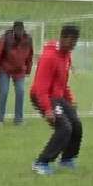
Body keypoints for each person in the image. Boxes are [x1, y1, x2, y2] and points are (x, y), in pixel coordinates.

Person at [30, 24, 81, 175]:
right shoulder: (49, 57)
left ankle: (67, 159)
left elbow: (62, 83)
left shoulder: (66, 55)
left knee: (76, 124)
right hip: (42, 96)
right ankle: (41, 162)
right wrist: (47, 109)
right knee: (64, 128)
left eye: (76, 41)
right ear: (63, 38)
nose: (73, 45)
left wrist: (70, 100)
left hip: (57, 97)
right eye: (72, 41)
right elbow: (40, 87)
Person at [0, 20, 34, 125]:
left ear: (23, 30)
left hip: (19, 70)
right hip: (5, 69)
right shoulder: (5, 38)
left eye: (21, 30)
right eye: (17, 30)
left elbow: (30, 55)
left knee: (20, 91)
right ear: (13, 30)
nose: (19, 32)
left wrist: (28, 69)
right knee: (4, 92)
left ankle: (18, 119)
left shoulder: (28, 39)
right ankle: (0, 119)